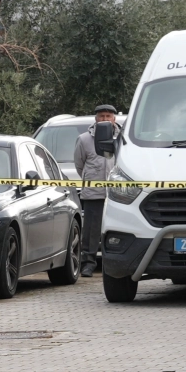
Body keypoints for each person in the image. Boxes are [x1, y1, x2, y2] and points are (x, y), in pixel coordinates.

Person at [74, 103, 119, 275]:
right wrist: (91, 180)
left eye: (108, 116)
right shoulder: (84, 139)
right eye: (101, 116)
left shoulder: (123, 138)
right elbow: (79, 165)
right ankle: (88, 263)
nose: (105, 119)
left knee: (118, 228)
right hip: (94, 194)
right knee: (91, 230)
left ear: (114, 119)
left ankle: (115, 262)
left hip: (118, 195)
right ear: (96, 119)